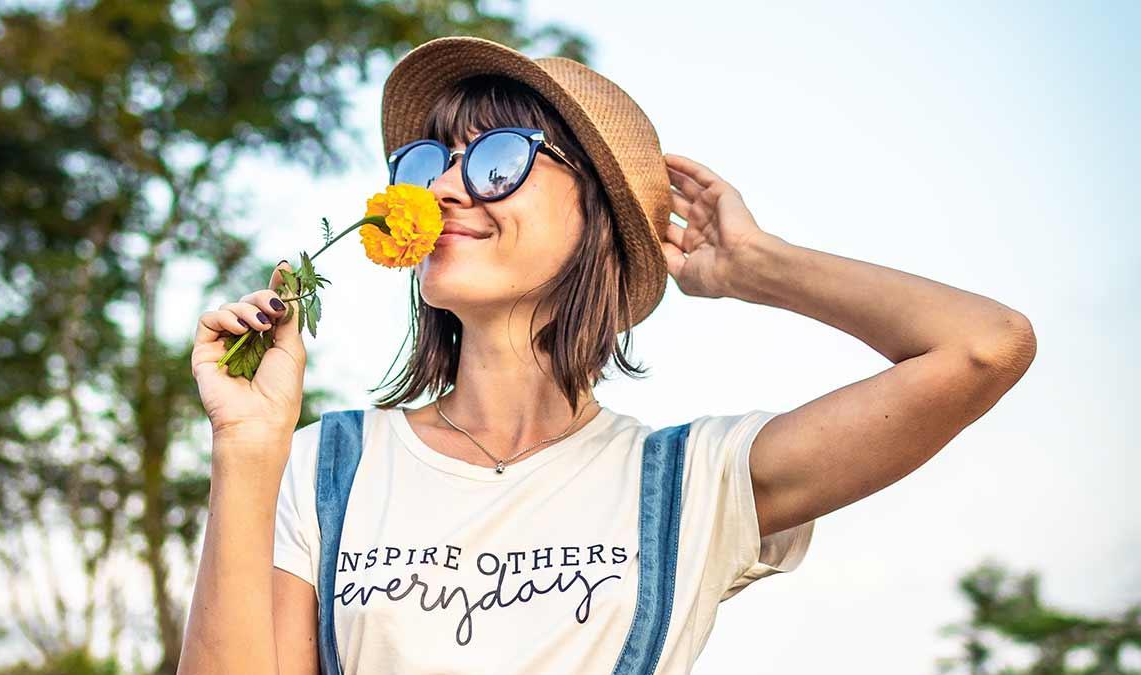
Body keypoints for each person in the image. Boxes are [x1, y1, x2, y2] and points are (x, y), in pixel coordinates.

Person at [178, 37, 1036, 675]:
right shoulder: (330, 464)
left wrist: (757, 267)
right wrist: (247, 448)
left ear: (598, 219)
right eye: (430, 160)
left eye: (498, 160)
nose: (440, 189)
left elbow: (983, 346)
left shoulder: (692, 481)